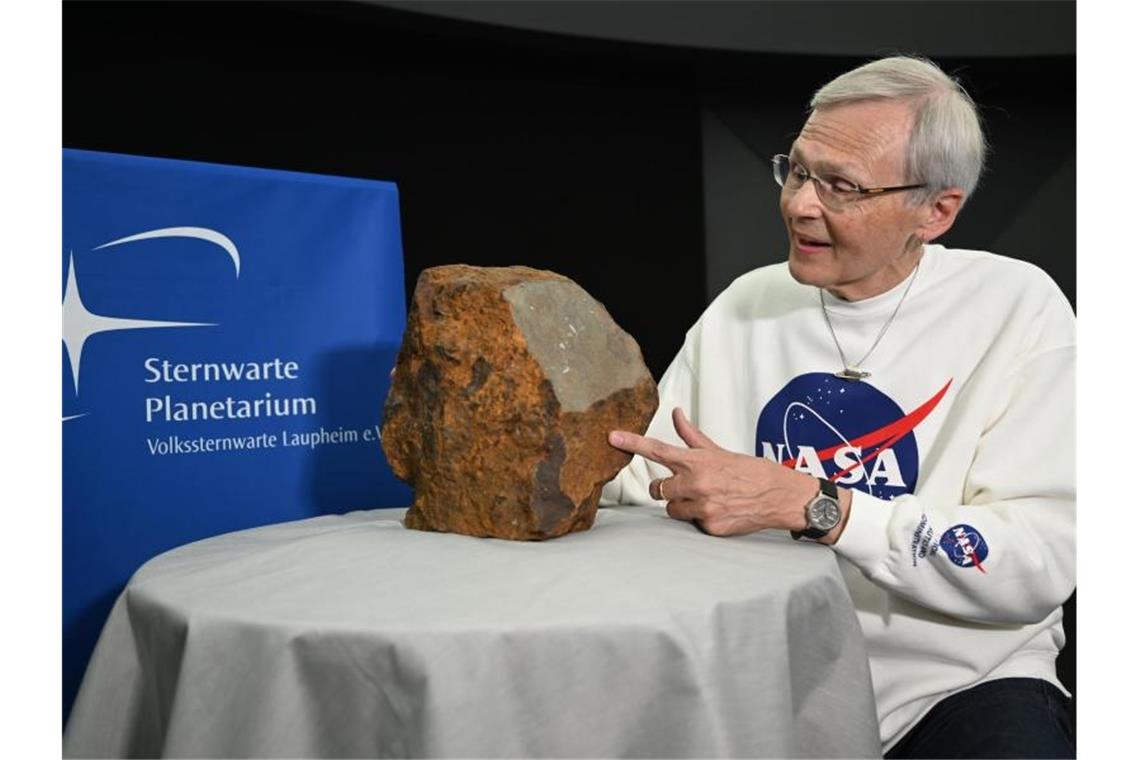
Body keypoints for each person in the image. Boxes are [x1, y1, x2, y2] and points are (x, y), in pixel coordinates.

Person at [603, 56, 1075, 758]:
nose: (800, 204)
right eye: (797, 171)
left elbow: (1033, 566)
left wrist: (817, 504)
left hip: (957, 689)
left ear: (936, 211)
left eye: (841, 187)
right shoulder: (745, 305)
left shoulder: (1018, 308)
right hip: (767, 675)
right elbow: (641, 491)